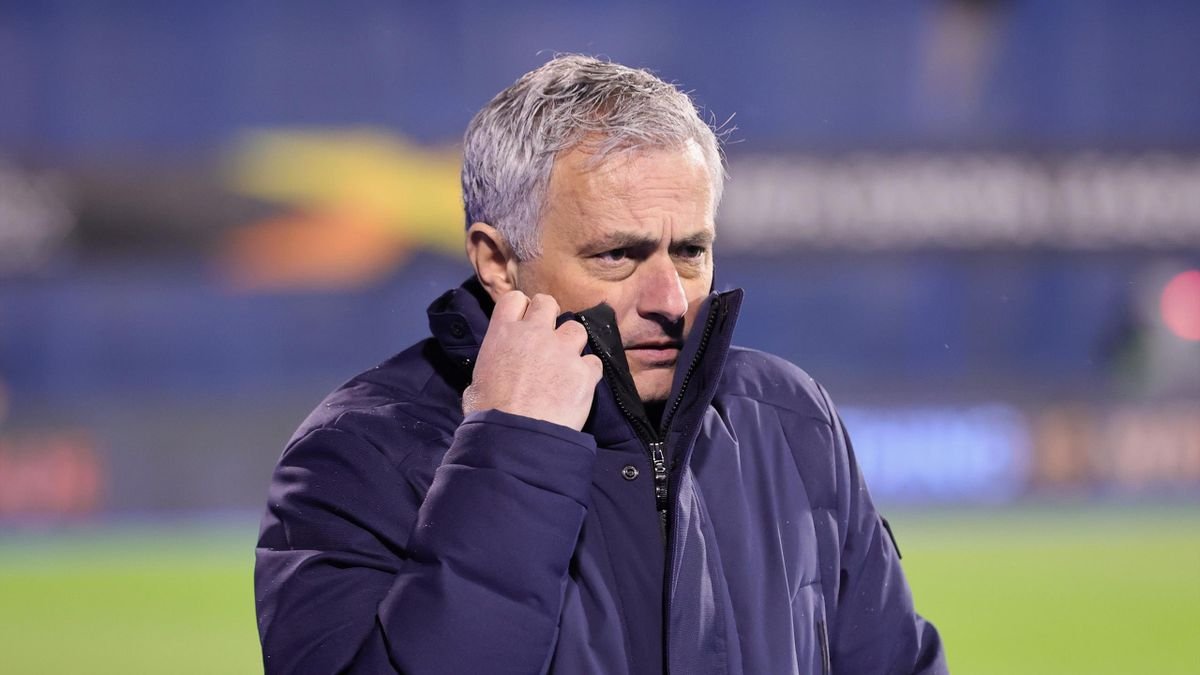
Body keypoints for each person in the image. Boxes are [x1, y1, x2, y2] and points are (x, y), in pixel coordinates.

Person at [254, 54, 946, 674]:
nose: (670, 301)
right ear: (498, 261)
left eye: (691, 251)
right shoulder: (358, 455)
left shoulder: (788, 419)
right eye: (617, 254)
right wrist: (514, 446)